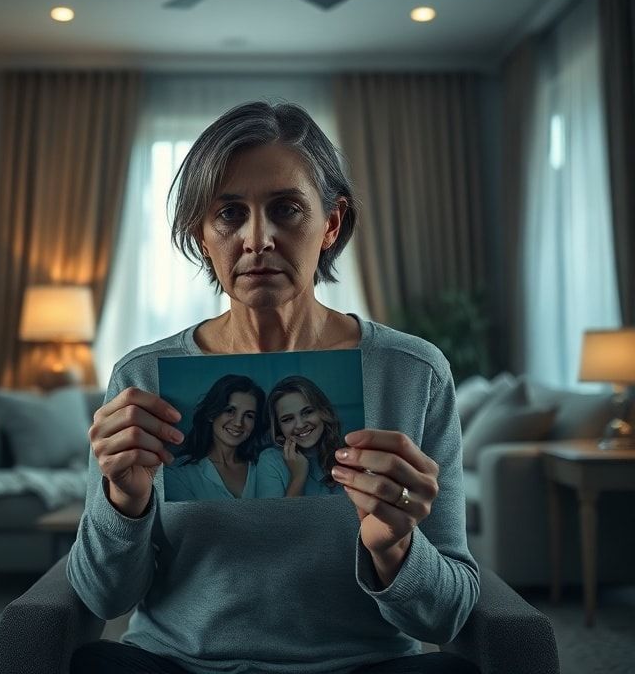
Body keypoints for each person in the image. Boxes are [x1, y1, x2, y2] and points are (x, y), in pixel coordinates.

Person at [68, 101, 480, 674]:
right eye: (228, 214)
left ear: (331, 224)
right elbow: (103, 599)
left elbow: (447, 617)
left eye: (286, 209)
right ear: (202, 235)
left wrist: (394, 545)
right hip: (182, 664)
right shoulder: (143, 377)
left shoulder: (412, 371)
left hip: (361, 665)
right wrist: (124, 502)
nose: (257, 238)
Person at [163, 373, 266, 501]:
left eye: (249, 415)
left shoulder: (265, 466)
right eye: (230, 410)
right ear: (211, 414)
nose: (239, 423)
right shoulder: (178, 473)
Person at [256, 375, 345, 497]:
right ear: (278, 428)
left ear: (323, 411)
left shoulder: (345, 454)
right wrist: (298, 477)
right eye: (288, 419)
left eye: (308, 412)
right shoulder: (271, 461)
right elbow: (277, 516)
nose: (300, 425)